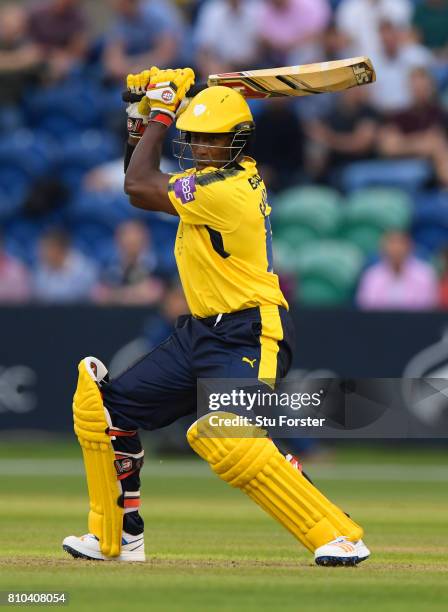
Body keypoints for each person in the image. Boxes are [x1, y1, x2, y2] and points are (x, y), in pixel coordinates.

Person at [62, 67, 370, 566]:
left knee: (228, 436)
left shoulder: (226, 191)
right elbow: (138, 183)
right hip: (202, 331)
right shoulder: (211, 181)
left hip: (251, 331)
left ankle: (339, 534)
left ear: (238, 142)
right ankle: (118, 537)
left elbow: (139, 186)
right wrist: (141, 116)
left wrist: (162, 110)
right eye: (195, 139)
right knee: (106, 413)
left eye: (211, 140)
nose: (201, 147)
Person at [377, 67, 448, 187]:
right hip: (401, 164)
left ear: (431, 87)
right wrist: (421, 142)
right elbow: (388, 148)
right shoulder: (398, 116)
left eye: (423, 87)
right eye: (416, 87)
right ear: (409, 87)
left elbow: (438, 145)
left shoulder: (441, 115)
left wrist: (404, 143)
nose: (419, 91)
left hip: (436, 167)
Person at [357, 231, 439, 310]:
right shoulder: (371, 275)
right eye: (392, 243)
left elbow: (428, 308)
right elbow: (366, 309)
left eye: (400, 243)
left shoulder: (424, 274)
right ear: (382, 249)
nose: (396, 249)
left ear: (409, 247)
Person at [93, 219, 164, 305]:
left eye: (136, 237)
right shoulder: (107, 264)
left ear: (145, 239)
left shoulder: (159, 265)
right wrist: (134, 293)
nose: (131, 240)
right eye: (126, 236)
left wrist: (114, 294)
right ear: (117, 239)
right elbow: (99, 295)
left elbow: (156, 294)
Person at [32, 228, 98, 303]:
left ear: (60, 248)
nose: (42, 253)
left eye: (47, 248)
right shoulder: (40, 271)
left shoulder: (85, 270)